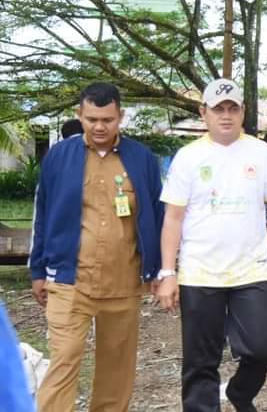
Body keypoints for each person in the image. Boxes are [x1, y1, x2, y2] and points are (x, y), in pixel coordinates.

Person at [155, 78, 267, 412]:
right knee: (200, 362)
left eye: (233, 108)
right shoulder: (188, 157)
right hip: (199, 272)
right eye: (218, 108)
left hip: (251, 270)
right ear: (203, 112)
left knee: (262, 348)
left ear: (243, 112)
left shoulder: (261, 152)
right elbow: (173, 218)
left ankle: (239, 392)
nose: (226, 115)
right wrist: (167, 271)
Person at [29, 81, 164, 411]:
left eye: (107, 119)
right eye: (91, 119)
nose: (99, 127)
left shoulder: (142, 158)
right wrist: (37, 270)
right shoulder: (59, 158)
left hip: (124, 281)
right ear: (80, 114)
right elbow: (41, 213)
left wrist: (159, 269)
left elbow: (157, 217)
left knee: (116, 371)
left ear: (121, 116)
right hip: (69, 280)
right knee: (63, 360)